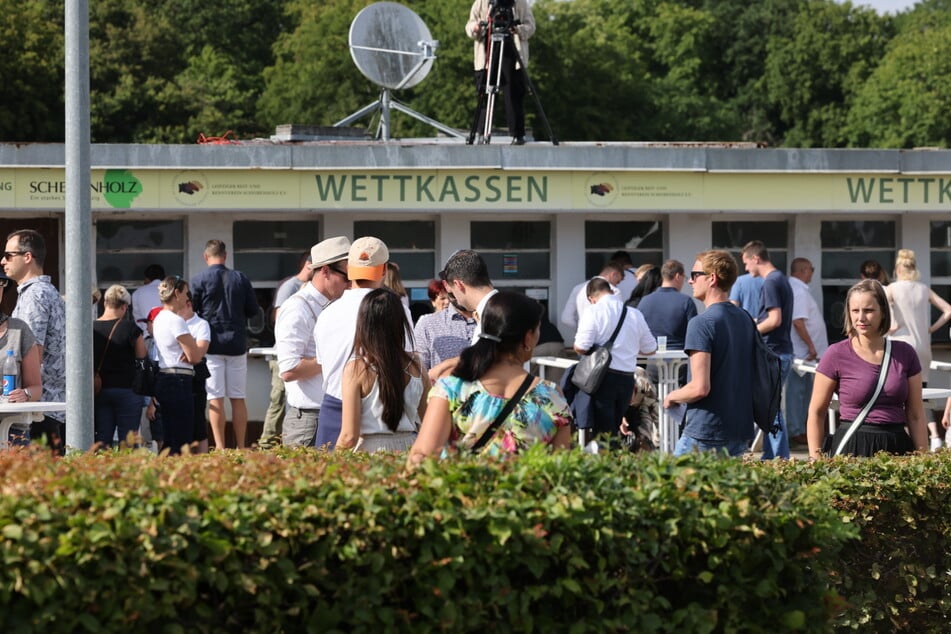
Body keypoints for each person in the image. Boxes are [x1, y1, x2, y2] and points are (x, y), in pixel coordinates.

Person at [409, 291, 571, 466]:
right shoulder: (551, 396)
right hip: (527, 492)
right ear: (528, 337)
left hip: (461, 491)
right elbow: (561, 469)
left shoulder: (450, 389)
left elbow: (421, 457)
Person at [806, 279, 928, 458]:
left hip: (897, 447)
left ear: (884, 313)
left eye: (869, 310)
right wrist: (815, 460)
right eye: (855, 310)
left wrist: (924, 460)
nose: (861, 318)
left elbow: (916, 414)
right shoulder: (836, 354)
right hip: (852, 447)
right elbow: (816, 412)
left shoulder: (905, 353)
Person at [315, 237, 411, 449]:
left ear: (350, 269)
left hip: (334, 408)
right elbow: (406, 359)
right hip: (381, 409)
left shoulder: (327, 312)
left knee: (327, 478)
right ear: (384, 270)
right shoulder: (396, 309)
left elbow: (323, 363)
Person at [665, 251, 755, 457]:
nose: (689, 280)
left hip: (706, 431)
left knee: (673, 487)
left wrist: (672, 396)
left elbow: (700, 388)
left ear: (712, 278)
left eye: (695, 275)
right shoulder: (744, 319)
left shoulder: (701, 323)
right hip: (738, 428)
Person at [275, 236, 351, 448]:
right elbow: (289, 369)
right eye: (346, 276)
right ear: (325, 271)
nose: (350, 284)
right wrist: (337, 359)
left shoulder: (335, 305)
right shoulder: (298, 308)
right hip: (309, 420)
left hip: (333, 413)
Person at [338, 288, 430, 452]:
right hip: (410, 447)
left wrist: (330, 466)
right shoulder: (417, 365)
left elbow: (348, 436)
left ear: (364, 323)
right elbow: (429, 423)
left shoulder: (357, 368)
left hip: (370, 451)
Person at [189, 239, 258, 449]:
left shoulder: (198, 280)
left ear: (205, 256)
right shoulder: (240, 278)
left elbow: (192, 311)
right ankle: (241, 446)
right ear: (225, 256)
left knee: (215, 398)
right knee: (238, 397)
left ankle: (219, 447)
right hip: (237, 344)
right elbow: (253, 310)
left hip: (211, 346)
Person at [2, 229, 66, 452]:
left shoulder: (35, 295)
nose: (3, 261)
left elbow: (33, 351)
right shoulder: (44, 291)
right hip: (44, 404)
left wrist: (27, 391)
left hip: (38, 409)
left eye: (9, 255)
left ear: (27, 257)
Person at [573, 277, 657, 440]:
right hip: (627, 379)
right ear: (611, 291)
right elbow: (650, 348)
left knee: (602, 432)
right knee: (616, 426)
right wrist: (629, 346)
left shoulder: (593, 311)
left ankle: (606, 461)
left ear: (591, 298)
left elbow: (581, 346)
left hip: (602, 379)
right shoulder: (635, 314)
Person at [885, 248, 951, 450]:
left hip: (902, 344)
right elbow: (948, 310)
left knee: (901, 394)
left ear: (897, 268)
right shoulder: (923, 288)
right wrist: (930, 329)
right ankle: (934, 437)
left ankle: (909, 439)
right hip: (923, 347)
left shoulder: (892, 288)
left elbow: (883, 307)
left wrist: (892, 325)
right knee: (921, 393)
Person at [742, 240, 794, 460]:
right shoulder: (780, 279)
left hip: (774, 352)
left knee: (770, 408)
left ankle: (779, 458)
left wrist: (751, 330)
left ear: (756, 259)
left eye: (746, 263)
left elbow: (774, 320)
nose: (745, 269)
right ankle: (772, 456)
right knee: (770, 407)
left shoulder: (771, 282)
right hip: (780, 351)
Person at [260, 252, 313, 449]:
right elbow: (278, 317)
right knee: (279, 399)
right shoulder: (290, 286)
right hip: (283, 355)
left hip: (296, 356)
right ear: (308, 265)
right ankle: (267, 443)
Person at [466, 0, 536, 145]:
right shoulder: (482, 2)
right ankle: (481, 133)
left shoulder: (519, 3)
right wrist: (477, 28)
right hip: (487, 53)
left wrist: (517, 29)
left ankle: (517, 134)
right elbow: (470, 25)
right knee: (485, 94)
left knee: (513, 94)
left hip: (511, 53)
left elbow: (531, 26)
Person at [428, 249, 499, 381]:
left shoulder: (495, 314)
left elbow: (492, 365)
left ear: (458, 284)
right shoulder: (495, 309)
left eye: (450, 290)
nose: (451, 298)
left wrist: (444, 368)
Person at [151, 276, 203, 455]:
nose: (188, 298)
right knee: (182, 438)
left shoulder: (158, 318)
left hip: (164, 375)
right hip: (180, 379)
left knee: (169, 435)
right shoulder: (176, 320)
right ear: (177, 293)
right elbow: (195, 356)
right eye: (186, 293)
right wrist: (193, 345)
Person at [93, 285, 147, 448]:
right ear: (124, 306)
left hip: (99, 390)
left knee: (102, 438)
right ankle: (127, 472)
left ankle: (102, 470)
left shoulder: (91, 328)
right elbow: (142, 357)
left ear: (105, 303)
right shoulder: (131, 328)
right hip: (128, 391)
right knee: (128, 441)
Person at [786, 258, 828, 446]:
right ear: (803, 270)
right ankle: (797, 430)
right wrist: (811, 346)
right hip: (802, 354)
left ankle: (800, 428)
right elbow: (798, 321)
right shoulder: (799, 291)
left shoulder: (798, 289)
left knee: (804, 392)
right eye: (811, 269)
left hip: (804, 354)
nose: (812, 272)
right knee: (798, 393)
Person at [0, 271, 42, 445]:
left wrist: (25, 394)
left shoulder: (19, 329)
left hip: (11, 430)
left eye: (1, 285)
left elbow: (36, 387)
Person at [413, 294, 477, 375]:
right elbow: (420, 371)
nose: (446, 302)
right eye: (442, 298)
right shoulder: (427, 323)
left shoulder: (489, 318)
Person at [180, 295, 211, 454]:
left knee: (198, 420)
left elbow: (199, 352)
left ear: (189, 304)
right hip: (176, 376)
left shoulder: (201, 324)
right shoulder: (172, 321)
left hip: (195, 377)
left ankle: (202, 459)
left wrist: (189, 354)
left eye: (181, 306)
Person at [559, 261, 623, 331]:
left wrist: (581, 329)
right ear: (613, 274)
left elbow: (566, 318)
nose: (617, 285)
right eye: (617, 281)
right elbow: (617, 319)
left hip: (583, 337)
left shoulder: (578, 288)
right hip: (604, 337)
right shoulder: (614, 291)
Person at [132, 264, 165, 335]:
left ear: (147, 278)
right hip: (168, 335)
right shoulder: (170, 291)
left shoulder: (137, 293)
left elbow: (137, 318)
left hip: (147, 335)